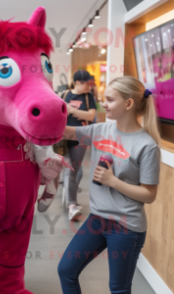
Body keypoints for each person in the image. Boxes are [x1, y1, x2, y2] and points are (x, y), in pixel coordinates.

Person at [58, 76, 161, 294]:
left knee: (119, 289)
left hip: (126, 226)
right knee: (66, 270)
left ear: (128, 104)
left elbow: (149, 194)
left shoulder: (147, 146)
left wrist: (112, 181)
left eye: (110, 100)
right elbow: (66, 132)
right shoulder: (101, 130)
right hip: (97, 218)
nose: (103, 104)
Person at [63, 70, 96, 221]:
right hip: (62, 138)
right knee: (66, 169)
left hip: (80, 138)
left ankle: (71, 205)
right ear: (77, 83)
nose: (90, 85)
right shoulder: (65, 95)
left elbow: (91, 116)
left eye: (90, 82)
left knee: (74, 171)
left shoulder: (89, 97)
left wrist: (72, 110)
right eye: (86, 83)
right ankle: (69, 199)